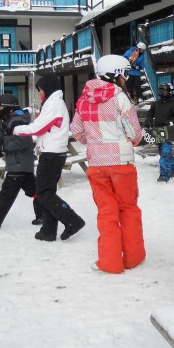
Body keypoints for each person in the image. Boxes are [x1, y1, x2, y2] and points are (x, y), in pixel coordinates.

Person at [70, 54, 145, 274]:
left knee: (106, 212)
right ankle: (133, 258)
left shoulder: (83, 99)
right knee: (128, 209)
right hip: (121, 163)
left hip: (97, 165)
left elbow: (76, 131)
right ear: (117, 74)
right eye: (125, 74)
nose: (126, 79)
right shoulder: (120, 97)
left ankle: (110, 263)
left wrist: (94, 143)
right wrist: (132, 141)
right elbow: (134, 132)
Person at [12, 73, 85, 242]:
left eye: (41, 90)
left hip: (52, 154)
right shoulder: (53, 103)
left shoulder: (54, 104)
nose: (40, 94)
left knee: (43, 193)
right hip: (52, 152)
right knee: (47, 192)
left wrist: (17, 130)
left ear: (49, 89)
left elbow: (39, 128)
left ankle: (73, 221)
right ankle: (48, 231)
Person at [0, 94, 42, 229]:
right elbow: (0, 135)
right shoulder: (6, 119)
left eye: (0, 106)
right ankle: (44, 215)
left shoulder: (18, 121)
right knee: (35, 191)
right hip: (19, 163)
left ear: (9, 108)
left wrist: (4, 147)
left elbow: (23, 141)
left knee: (7, 192)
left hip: (19, 162)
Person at [145, 82, 174, 183]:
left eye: (164, 91)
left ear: (170, 92)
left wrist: (171, 122)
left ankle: (164, 176)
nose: (162, 93)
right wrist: (148, 121)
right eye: (160, 90)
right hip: (157, 132)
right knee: (163, 153)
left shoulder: (173, 105)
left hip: (168, 132)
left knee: (165, 154)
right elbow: (150, 114)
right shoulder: (156, 104)